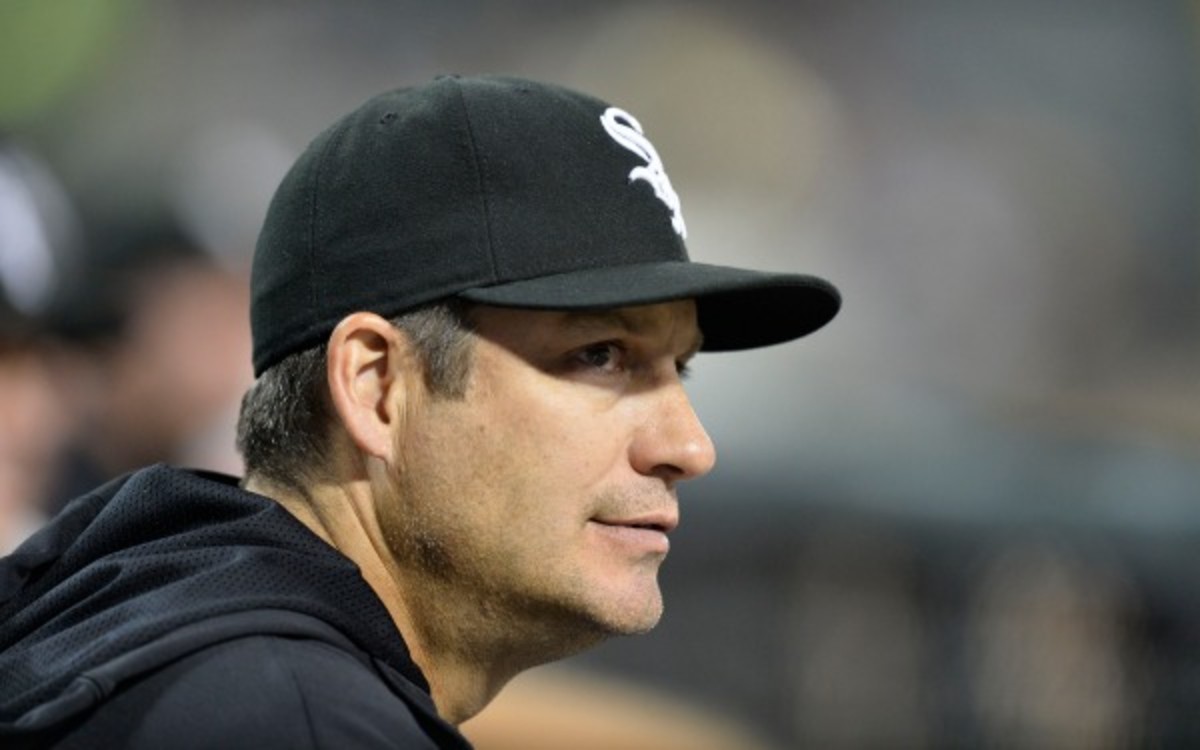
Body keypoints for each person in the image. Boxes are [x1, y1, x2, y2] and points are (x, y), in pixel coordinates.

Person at [0, 75, 839, 749]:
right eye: (601, 355)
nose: (689, 446)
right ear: (376, 388)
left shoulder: (177, 623)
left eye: (678, 369)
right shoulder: (293, 720)